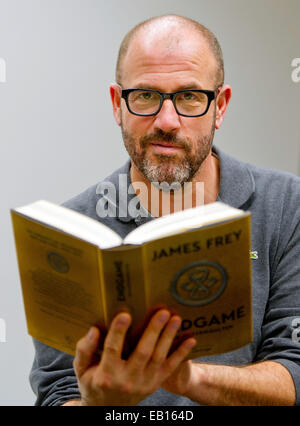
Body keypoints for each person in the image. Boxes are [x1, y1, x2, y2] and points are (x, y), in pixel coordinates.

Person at [30, 14, 300, 406]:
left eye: (190, 96)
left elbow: (294, 371)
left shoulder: (287, 205)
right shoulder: (71, 230)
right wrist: (97, 403)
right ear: (117, 105)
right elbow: (57, 393)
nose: (167, 121)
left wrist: (188, 378)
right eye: (145, 96)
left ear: (220, 106)